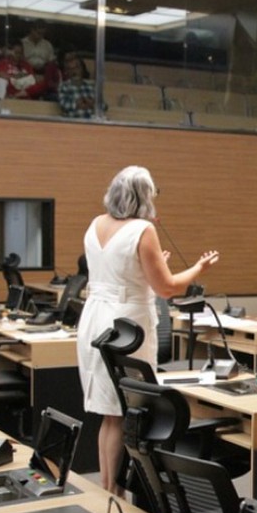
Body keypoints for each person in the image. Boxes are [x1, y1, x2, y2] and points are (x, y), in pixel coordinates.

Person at [76, 166, 220, 494]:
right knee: (125, 409)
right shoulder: (143, 229)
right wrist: (197, 269)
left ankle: (108, 488)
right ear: (144, 196)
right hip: (126, 325)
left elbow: (118, 271)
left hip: (95, 320)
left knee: (109, 412)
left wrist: (151, 263)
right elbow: (168, 288)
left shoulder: (95, 224)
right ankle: (115, 490)